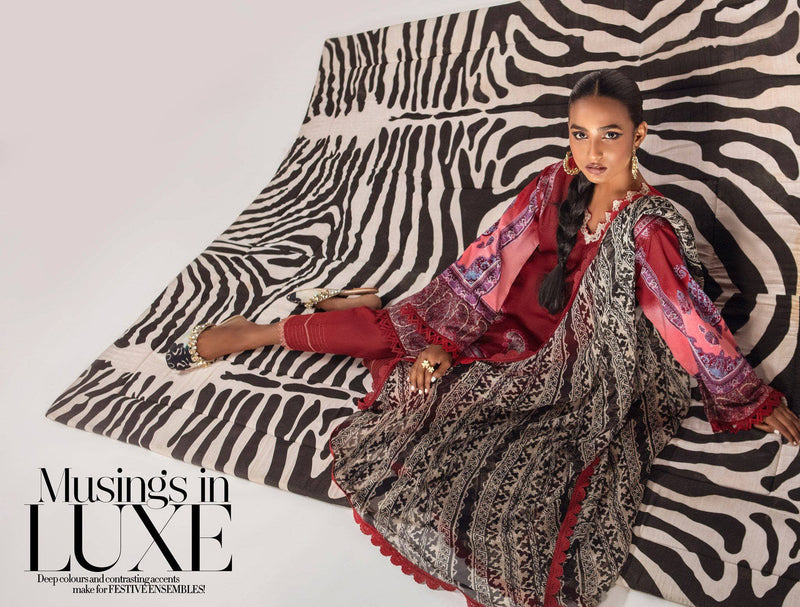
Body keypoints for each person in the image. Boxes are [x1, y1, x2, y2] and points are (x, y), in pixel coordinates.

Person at [165, 69, 797, 607]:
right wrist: (448, 337)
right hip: (497, 324)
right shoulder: (553, 184)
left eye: (610, 134)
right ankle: (254, 334)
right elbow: (488, 262)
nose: (593, 150)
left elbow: (687, 319)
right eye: (579, 133)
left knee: (465, 422)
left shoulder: (646, 226)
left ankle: (349, 309)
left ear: (640, 135)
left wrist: (747, 397)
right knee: (398, 341)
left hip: (562, 360)